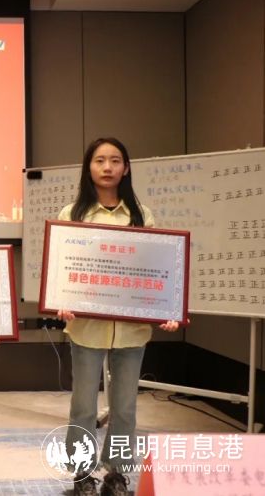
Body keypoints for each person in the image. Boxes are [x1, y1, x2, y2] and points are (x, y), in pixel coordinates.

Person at [56, 137, 180, 496]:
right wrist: (61, 300)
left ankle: (116, 474)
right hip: (86, 327)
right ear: (88, 167)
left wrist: (166, 310)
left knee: (125, 409)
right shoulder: (72, 214)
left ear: (126, 168)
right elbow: (62, 270)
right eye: (99, 160)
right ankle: (81, 474)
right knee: (83, 407)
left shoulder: (141, 216)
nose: (107, 167)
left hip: (132, 329)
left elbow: (157, 271)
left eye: (115, 160)